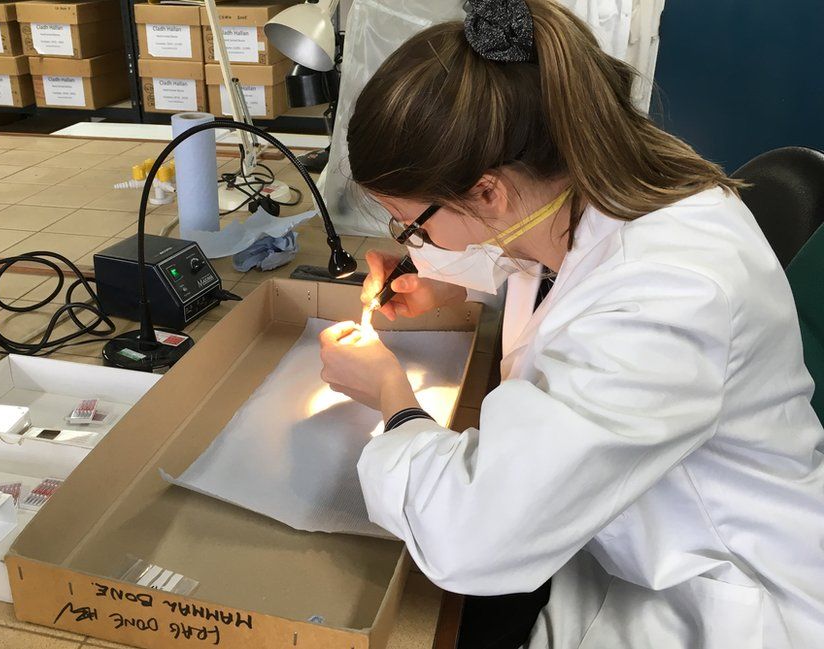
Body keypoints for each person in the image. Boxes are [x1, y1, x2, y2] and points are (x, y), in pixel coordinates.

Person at [316, 1, 824, 647]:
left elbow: (472, 534)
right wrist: (445, 268)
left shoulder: (670, 296)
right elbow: (565, 265)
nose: (407, 239)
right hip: (627, 542)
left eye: (409, 223)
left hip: (726, 599)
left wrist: (393, 400)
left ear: (489, 192)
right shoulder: (609, 178)